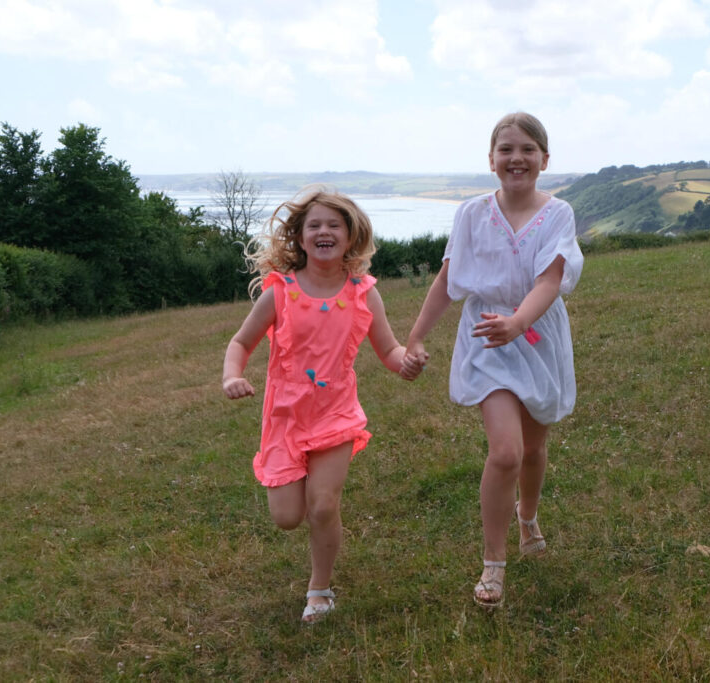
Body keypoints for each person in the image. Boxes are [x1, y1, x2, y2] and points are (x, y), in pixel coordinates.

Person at [222, 187, 427, 623]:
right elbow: (241, 342)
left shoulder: (363, 295)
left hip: (336, 415)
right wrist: (232, 375)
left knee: (323, 505)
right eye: (314, 225)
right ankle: (316, 560)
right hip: (285, 419)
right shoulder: (280, 293)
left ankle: (320, 588)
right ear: (299, 237)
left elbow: (389, 350)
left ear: (351, 236)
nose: (324, 231)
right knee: (288, 517)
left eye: (335, 224)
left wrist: (405, 364)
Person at [406, 112, 583, 609]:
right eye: (506, 149)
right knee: (505, 451)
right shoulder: (470, 214)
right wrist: (416, 338)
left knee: (532, 449)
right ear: (491, 160)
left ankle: (528, 519)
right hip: (487, 339)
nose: (516, 158)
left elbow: (550, 280)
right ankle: (494, 562)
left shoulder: (559, 214)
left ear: (544, 159)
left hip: (537, 336)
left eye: (527, 149)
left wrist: (519, 323)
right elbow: (447, 279)